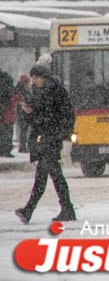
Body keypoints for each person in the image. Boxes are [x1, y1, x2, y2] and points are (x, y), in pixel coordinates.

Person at [15, 56, 77, 224]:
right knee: (49, 176)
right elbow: (45, 115)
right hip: (50, 138)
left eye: (35, 78)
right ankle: (63, 208)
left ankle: (32, 210)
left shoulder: (51, 90)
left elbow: (49, 116)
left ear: (42, 77)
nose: (34, 81)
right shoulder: (48, 91)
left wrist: (32, 111)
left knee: (49, 176)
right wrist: (31, 111)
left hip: (51, 139)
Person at [15, 75, 31, 153]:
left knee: (23, 130)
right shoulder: (22, 90)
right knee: (24, 130)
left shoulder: (19, 89)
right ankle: (23, 147)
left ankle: (22, 146)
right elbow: (22, 101)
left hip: (21, 112)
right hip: (23, 112)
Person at [0, 71, 15, 157]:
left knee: (3, 132)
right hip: (7, 114)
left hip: (4, 114)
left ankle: (3, 149)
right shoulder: (8, 89)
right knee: (7, 132)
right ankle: (6, 149)